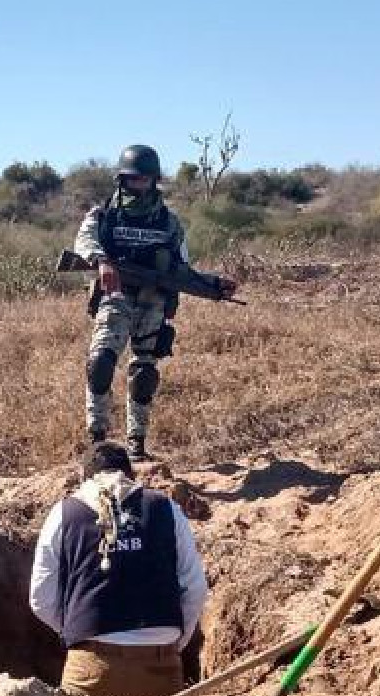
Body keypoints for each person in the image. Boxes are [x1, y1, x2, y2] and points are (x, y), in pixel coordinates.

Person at [71, 145, 236, 461]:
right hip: (115, 296)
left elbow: (182, 269)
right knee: (101, 363)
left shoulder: (168, 221)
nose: (138, 185)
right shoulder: (104, 214)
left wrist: (214, 285)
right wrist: (102, 261)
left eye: (144, 179)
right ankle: (98, 438)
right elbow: (84, 242)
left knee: (144, 373)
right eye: (133, 179)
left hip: (153, 302)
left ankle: (137, 442)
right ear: (123, 179)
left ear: (154, 180)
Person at [29, 442, 209, 696]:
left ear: (84, 478)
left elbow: (41, 598)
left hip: (91, 670)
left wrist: (77, 632)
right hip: (160, 669)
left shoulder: (63, 514)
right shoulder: (166, 509)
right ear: (131, 475)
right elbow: (195, 588)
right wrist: (174, 643)